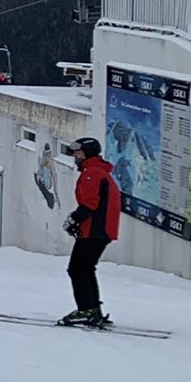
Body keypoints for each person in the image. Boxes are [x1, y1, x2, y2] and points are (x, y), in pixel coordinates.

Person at [62, 137, 120, 327]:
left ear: (87, 153)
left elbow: (90, 203)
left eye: (78, 152)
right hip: (99, 230)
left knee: (78, 269)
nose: (75, 156)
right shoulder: (98, 171)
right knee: (85, 268)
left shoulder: (92, 173)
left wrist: (74, 220)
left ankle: (87, 310)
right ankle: (92, 309)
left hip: (95, 230)